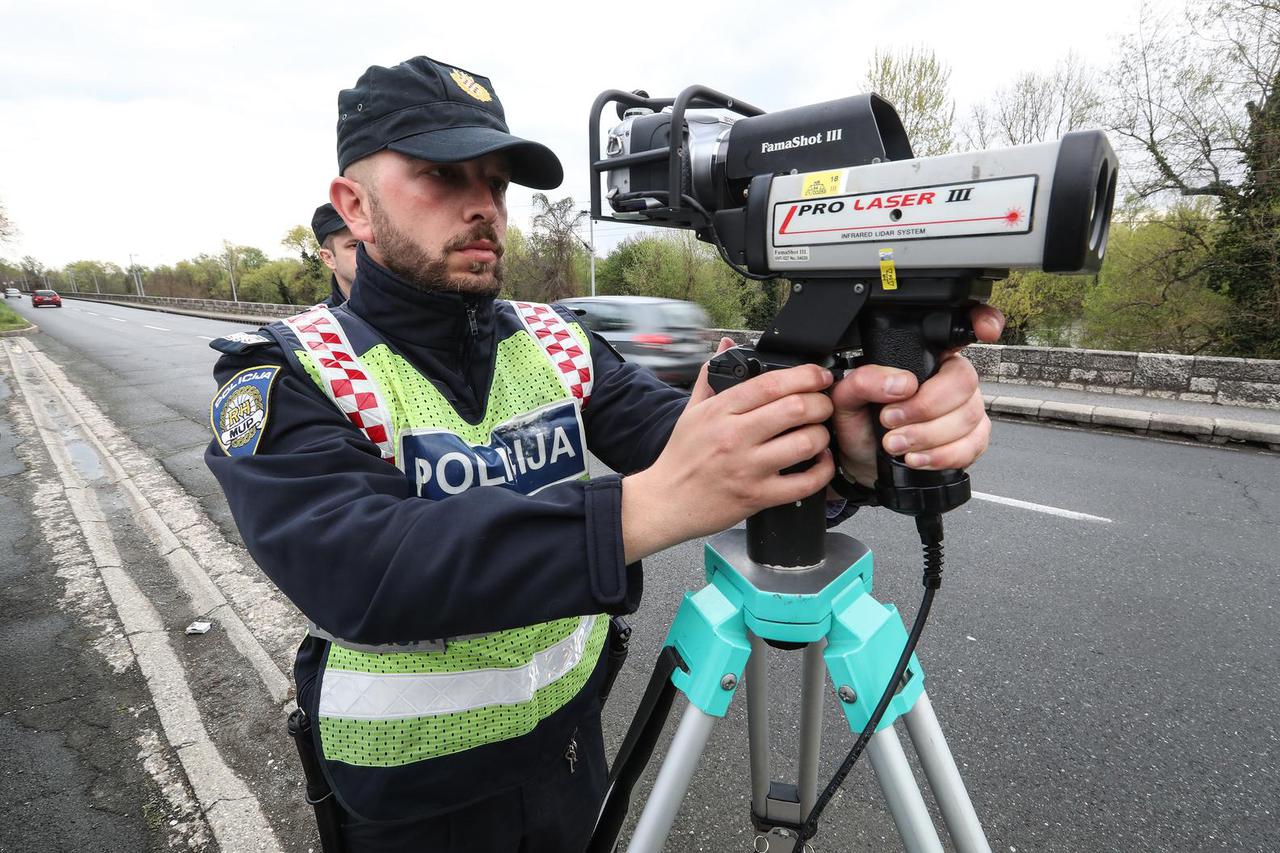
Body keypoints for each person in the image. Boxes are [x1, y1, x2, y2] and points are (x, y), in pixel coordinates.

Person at [205, 55, 1004, 852]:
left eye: (496, 182)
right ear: (357, 205)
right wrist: (645, 507)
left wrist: (853, 450)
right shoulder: (289, 370)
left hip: (570, 754)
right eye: (444, 176)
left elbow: (700, 453)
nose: (483, 206)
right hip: (408, 803)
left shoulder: (556, 341)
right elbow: (362, 568)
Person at [312, 202, 359, 305]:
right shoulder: (324, 320)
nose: (369, 251)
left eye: (374, 242)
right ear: (328, 258)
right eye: (355, 245)